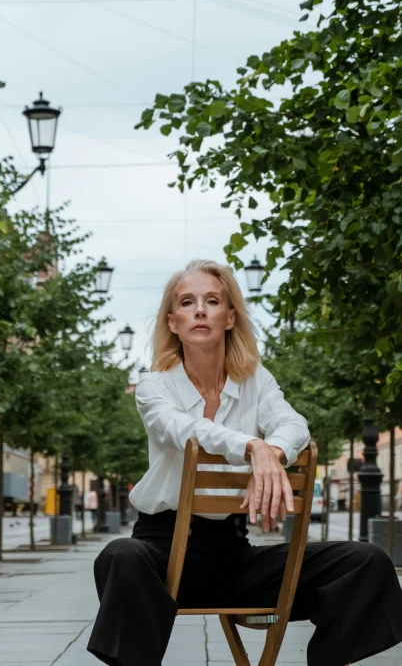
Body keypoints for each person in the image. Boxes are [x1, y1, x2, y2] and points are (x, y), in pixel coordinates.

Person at [87, 259, 402, 666]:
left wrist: (274, 453)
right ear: (173, 321)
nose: (200, 310)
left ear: (230, 316)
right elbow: (184, 431)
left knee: (367, 563)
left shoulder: (255, 380)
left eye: (212, 300)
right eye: (187, 302)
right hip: (161, 560)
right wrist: (254, 447)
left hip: (234, 559)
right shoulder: (154, 386)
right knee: (118, 557)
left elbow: (293, 424)